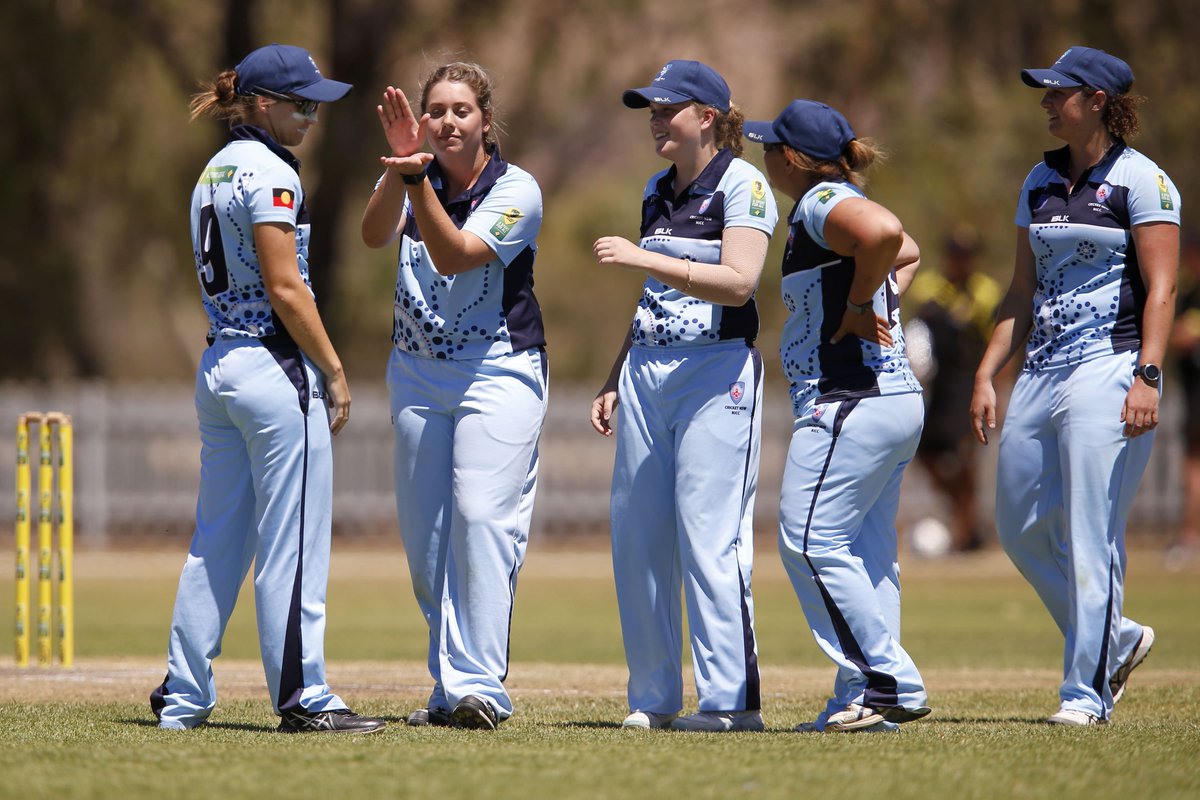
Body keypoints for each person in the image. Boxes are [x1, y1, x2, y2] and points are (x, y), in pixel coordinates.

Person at [150, 44, 385, 734]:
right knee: (295, 541)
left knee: (215, 539)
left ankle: (184, 694)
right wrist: (335, 371)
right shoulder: (271, 172)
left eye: (316, 103)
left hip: (219, 364)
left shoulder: (213, 168)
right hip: (273, 369)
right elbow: (286, 285)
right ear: (258, 104)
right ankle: (303, 697)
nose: (313, 115)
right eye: (300, 103)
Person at [971, 46, 1179, 726]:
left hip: (1110, 367)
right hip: (1040, 370)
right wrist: (987, 370)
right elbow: (1021, 290)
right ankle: (1115, 639)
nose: (1045, 102)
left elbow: (1163, 288)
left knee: (1093, 535)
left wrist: (1148, 374)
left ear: (1095, 100)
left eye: (1057, 92)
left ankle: (1084, 693)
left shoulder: (1143, 182)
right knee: (1021, 526)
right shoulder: (1038, 179)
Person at [589, 60, 777, 733]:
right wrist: (616, 375)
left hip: (715, 373)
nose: (656, 121)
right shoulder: (654, 190)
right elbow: (655, 298)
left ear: (708, 116)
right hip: (648, 371)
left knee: (709, 538)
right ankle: (654, 698)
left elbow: (737, 283)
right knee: (637, 538)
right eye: (650, 110)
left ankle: (733, 704)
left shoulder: (744, 184)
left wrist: (644, 258)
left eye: (669, 109)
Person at [360, 62, 547, 731]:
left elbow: (454, 254)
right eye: (435, 109)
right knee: (428, 542)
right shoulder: (415, 175)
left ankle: (480, 689)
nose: (446, 121)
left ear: (486, 121)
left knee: (479, 518)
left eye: (461, 110)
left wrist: (416, 178)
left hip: (498, 370)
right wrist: (401, 168)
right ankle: (451, 689)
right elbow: (373, 234)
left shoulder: (517, 189)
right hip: (416, 371)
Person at [743, 100, 929, 733]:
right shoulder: (825, 204)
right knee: (866, 554)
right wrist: (877, 293)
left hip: (850, 399)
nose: (762, 155)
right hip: (893, 400)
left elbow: (885, 233)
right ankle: (864, 696)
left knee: (807, 538)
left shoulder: (822, 202)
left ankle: (888, 681)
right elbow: (908, 252)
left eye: (770, 147)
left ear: (792, 159)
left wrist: (856, 302)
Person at [905, 224, 1003, 553]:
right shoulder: (927, 288)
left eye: (967, 255)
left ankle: (967, 529)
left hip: (970, 381)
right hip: (939, 385)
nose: (961, 261)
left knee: (965, 458)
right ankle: (963, 513)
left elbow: (997, 343)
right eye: (956, 255)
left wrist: (996, 387)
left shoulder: (986, 293)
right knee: (925, 453)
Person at [1166, 236, 1200, 570]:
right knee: (1191, 465)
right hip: (1192, 391)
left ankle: (1190, 536)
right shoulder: (1189, 293)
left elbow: (1183, 335)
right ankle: (1189, 535)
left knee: (1194, 467)